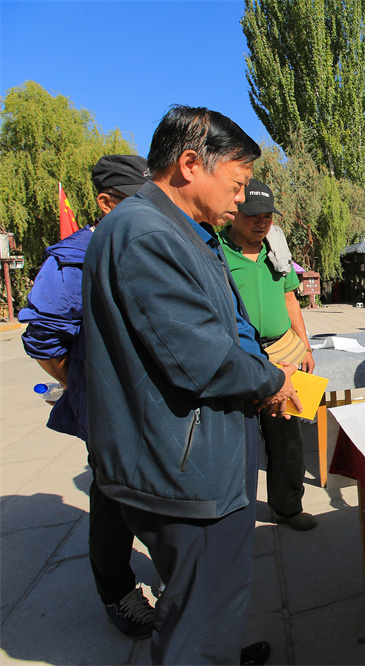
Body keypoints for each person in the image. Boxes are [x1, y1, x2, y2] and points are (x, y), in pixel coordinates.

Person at [82, 105, 301, 665]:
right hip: (184, 472)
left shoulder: (186, 231)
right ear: (188, 164)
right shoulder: (144, 233)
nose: (241, 199)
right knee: (197, 617)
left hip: (198, 458)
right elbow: (203, 358)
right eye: (237, 183)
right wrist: (272, 379)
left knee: (211, 601)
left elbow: (231, 323)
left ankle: (217, 649)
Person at [20, 155, 156, 638]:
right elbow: (43, 340)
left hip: (160, 410)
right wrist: (85, 384)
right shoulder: (74, 259)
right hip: (109, 414)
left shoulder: (154, 245)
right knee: (112, 499)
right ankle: (117, 593)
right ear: (106, 202)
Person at [219, 178, 317, 531]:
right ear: (234, 214)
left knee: (288, 438)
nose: (261, 222)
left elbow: (292, 299)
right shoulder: (216, 249)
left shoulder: (277, 251)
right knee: (237, 439)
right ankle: (232, 515)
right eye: (252, 215)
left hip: (284, 354)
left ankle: (287, 508)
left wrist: (305, 345)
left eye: (267, 216)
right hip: (239, 356)